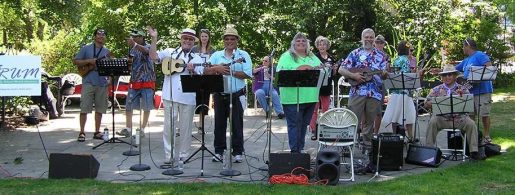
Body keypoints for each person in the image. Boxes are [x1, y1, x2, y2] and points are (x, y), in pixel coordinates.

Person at [148, 27, 204, 164]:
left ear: (194, 42)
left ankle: (184, 155)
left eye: (191, 39)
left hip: (188, 97)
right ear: (181, 39)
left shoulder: (197, 58)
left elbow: (200, 76)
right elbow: (154, 57)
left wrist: (193, 71)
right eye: (185, 38)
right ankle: (169, 156)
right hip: (170, 95)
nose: (188, 41)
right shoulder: (169, 52)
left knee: (186, 129)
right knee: (168, 128)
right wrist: (154, 39)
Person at [200, 24, 252, 163]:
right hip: (220, 94)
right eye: (227, 39)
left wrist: (231, 72)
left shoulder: (243, 55)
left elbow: (248, 74)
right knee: (219, 125)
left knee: (237, 125)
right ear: (224, 41)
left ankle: (238, 152)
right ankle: (219, 151)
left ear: (237, 40)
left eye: (232, 39)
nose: (229, 41)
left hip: (237, 94)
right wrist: (217, 68)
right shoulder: (216, 55)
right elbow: (205, 71)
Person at [338, 28, 388, 150]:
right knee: (352, 118)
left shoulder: (381, 56)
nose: (369, 39)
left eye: (371, 37)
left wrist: (385, 73)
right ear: (362, 38)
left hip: (375, 93)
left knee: (370, 122)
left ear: (374, 39)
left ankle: (367, 148)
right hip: (357, 91)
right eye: (366, 37)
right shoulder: (355, 53)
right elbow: (341, 69)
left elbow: (384, 76)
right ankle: (347, 146)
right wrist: (353, 75)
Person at [424, 65, 483, 160]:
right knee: (432, 122)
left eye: (450, 75)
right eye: (445, 75)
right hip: (441, 118)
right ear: (442, 77)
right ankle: (428, 150)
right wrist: (437, 100)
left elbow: (469, 103)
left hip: (459, 119)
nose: (447, 77)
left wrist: (462, 98)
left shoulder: (463, 89)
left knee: (471, 123)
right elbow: (426, 104)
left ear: (455, 76)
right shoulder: (436, 89)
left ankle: (474, 152)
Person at [277, 32, 321, 153]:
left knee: (303, 125)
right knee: (294, 125)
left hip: (310, 98)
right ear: (293, 44)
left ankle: (299, 150)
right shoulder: (286, 56)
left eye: (303, 41)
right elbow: (280, 73)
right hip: (292, 98)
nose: (301, 43)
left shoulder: (312, 57)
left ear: (307, 44)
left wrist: (321, 69)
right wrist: (298, 70)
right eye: (298, 41)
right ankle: (295, 152)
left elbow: (323, 72)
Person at [73, 28, 111, 142]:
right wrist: (90, 61)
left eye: (103, 34)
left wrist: (109, 79)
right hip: (88, 81)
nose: (101, 36)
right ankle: (82, 132)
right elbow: (76, 61)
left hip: (102, 82)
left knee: (100, 109)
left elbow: (109, 67)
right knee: (84, 108)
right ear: (95, 36)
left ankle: (97, 132)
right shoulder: (86, 48)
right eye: (99, 34)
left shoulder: (107, 51)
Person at [116, 29, 155, 138]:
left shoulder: (148, 46)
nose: (133, 38)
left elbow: (147, 52)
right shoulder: (132, 49)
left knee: (146, 107)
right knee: (129, 105)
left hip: (147, 80)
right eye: (132, 37)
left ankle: (142, 129)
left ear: (142, 37)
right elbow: (130, 62)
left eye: (135, 36)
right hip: (134, 80)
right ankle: (128, 128)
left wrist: (134, 44)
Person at [455, 38, 493, 143]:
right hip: (470, 91)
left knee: (484, 114)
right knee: (470, 115)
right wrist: (440, 71)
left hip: (483, 91)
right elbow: (454, 69)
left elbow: (489, 67)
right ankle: (473, 135)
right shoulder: (466, 60)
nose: (463, 48)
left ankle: (486, 135)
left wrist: (477, 76)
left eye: (463, 46)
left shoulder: (480, 55)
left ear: (468, 46)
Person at [381, 41, 417, 142]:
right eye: (410, 50)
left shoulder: (396, 60)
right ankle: (411, 137)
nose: (411, 52)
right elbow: (406, 75)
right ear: (406, 50)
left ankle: (394, 137)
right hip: (404, 92)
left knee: (395, 115)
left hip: (396, 91)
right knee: (409, 115)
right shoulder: (406, 60)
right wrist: (414, 73)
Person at [309, 36, 336, 138]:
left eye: (324, 44)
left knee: (326, 109)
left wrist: (334, 69)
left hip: (327, 86)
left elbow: (334, 73)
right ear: (317, 46)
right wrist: (319, 67)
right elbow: (310, 70)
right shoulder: (314, 57)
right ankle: (313, 129)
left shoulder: (331, 58)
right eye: (320, 44)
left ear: (327, 46)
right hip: (316, 86)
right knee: (314, 109)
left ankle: (325, 127)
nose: (322, 46)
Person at [192, 28, 216, 116]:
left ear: (209, 37)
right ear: (200, 37)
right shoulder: (194, 49)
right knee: (195, 99)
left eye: (206, 36)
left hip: (207, 77)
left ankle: (201, 124)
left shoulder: (213, 50)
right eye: (202, 36)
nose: (204, 38)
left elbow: (214, 64)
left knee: (205, 100)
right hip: (195, 77)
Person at [372, 35, 390, 134]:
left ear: (384, 44)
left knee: (378, 111)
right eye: (377, 42)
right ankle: (365, 132)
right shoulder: (369, 53)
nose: (379, 44)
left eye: (381, 43)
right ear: (374, 43)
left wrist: (386, 70)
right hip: (369, 83)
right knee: (366, 111)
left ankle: (376, 133)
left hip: (380, 85)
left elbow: (387, 71)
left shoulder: (386, 56)